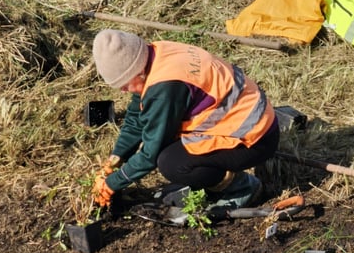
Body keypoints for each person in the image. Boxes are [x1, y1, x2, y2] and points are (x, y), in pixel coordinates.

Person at [89, 29, 279, 221]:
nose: (123, 91)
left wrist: (114, 182)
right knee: (174, 152)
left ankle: (242, 187)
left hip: (254, 136)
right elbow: (136, 117)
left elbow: (151, 154)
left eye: (125, 85)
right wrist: (115, 159)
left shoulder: (164, 87)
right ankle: (216, 180)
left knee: (173, 163)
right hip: (248, 119)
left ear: (137, 72)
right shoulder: (155, 55)